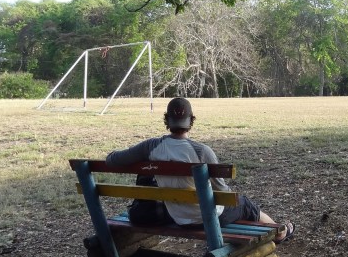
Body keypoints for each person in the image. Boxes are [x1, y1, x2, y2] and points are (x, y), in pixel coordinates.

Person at [105, 97, 295, 243]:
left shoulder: (151, 147)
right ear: (190, 121)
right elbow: (223, 192)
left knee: (232, 205)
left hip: (178, 216)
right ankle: (281, 233)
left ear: (167, 121)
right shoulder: (202, 151)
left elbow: (114, 160)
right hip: (206, 219)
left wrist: (113, 154)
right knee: (244, 204)